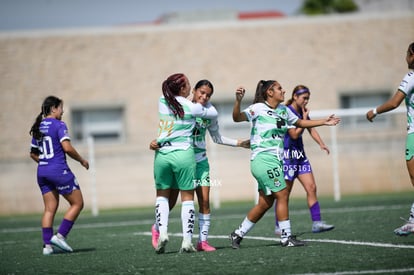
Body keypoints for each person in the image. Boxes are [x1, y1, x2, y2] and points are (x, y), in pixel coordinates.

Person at [229, 80, 340, 248]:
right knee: (282, 194)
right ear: (270, 93)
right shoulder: (258, 108)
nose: (283, 90)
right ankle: (286, 237)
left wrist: (323, 121)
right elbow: (237, 118)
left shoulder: (283, 110)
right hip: (263, 159)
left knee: (265, 203)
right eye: (280, 88)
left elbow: (301, 123)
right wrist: (238, 101)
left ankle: (237, 234)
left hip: (275, 161)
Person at [150, 79, 249, 252]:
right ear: (193, 91)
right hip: (179, 159)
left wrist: (239, 142)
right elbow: (167, 128)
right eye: (201, 92)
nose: (204, 97)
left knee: (204, 201)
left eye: (208, 95)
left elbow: (217, 138)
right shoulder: (182, 106)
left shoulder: (209, 112)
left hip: (200, 162)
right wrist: (155, 142)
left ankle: (202, 242)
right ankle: (157, 229)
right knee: (171, 201)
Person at [153, 73, 219, 254]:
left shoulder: (162, 100)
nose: (190, 87)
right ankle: (186, 241)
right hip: (183, 155)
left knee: (162, 197)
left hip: (162, 154)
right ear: (183, 89)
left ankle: (163, 231)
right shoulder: (193, 108)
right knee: (187, 199)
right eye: (188, 85)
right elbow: (213, 113)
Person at [29, 95, 89, 255]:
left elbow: (33, 154)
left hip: (42, 172)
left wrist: (46, 164)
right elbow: (67, 148)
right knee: (78, 203)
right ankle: (60, 236)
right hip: (59, 171)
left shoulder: (38, 126)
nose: (63, 111)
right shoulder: (59, 125)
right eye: (61, 108)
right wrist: (82, 160)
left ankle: (47, 247)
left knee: (49, 209)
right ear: (54, 108)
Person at [366, 42, 414, 236]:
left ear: (412, 55)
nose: (405, 57)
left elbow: (395, 102)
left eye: (406, 54)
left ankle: (412, 220)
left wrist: (374, 111)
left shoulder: (411, 76)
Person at [273, 85, 334, 235]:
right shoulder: (285, 111)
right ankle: (279, 226)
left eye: (308, 98)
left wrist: (321, 144)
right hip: (288, 158)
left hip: (300, 157)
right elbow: (294, 134)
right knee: (284, 194)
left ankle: (317, 223)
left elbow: (311, 128)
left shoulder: (301, 112)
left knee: (311, 187)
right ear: (295, 96)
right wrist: (304, 118)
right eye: (304, 98)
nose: (306, 101)